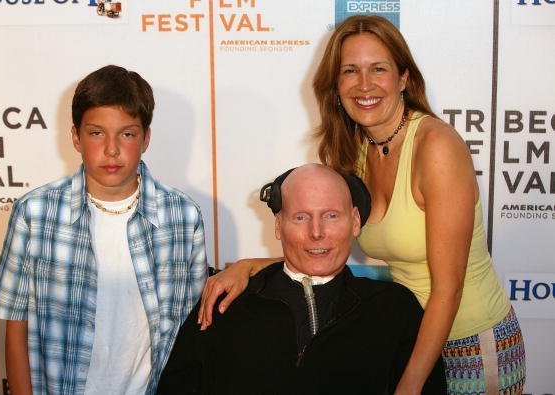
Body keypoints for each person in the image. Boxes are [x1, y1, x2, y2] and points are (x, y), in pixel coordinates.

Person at [198, 15, 526, 395]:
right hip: (409, 336)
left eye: (379, 69)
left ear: (404, 78)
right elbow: (328, 244)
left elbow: (448, 288)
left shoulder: (436, 147)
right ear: (335, 86)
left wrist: (409, 386)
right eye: (350, 71)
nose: (364, 85)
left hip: (469, 343)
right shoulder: (356, 151)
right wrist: (251, 266)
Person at [0, 65, 208, 395]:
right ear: (75, 136)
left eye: (127, 134)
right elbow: (15, 328)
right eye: (96, 133)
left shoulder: (182, 216)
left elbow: (192, 332)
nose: (112, 149)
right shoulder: (34, 213)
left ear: (146, 138)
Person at [158, 164, 446, 394]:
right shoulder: (225, 305)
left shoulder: (394, 310)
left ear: (355, 222)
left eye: (331, 216)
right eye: (300, 218)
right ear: (278, 225)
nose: (317, 232)